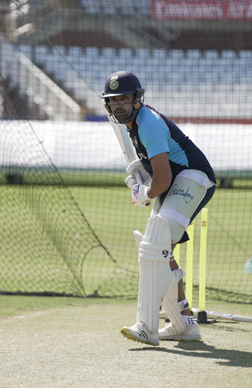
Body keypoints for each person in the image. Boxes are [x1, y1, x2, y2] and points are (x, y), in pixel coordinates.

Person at [102, 71, 216, 346]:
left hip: (193, 177)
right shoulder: (133, 124)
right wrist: (144, 177)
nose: (118, 105)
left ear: (137, 100)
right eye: (113, 100)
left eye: (124, 99)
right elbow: (160, 172)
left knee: (155, 245)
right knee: (156, 252)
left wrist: (145, 192)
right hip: (176, 179)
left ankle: (146, 326)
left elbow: (163, 180)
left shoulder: (148, 124)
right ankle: (185, 324)